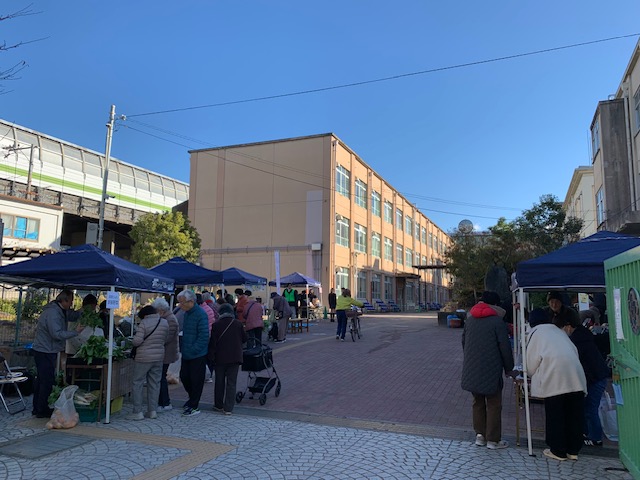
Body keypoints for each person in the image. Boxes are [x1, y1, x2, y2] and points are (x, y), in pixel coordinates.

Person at [526, 308, 587, 461]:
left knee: (556, 414)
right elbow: (574, 351)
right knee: (573, 414)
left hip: (555, 377)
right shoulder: (559, 331)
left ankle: (558, 450)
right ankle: (573, 450)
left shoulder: (536, 333)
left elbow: (531, 364)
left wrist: (531, 374)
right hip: (576, 377)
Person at [460, 291, 514, 450]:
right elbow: (505, 348)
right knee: (494, 404)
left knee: (477, 402)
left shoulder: (470, 320)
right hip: (492, 369)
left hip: (472, 368)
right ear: (495, 305)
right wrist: (509, 369)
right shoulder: (497, 322)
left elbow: (464, 343)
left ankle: (480, 435)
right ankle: (493, 439)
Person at [32, 289, 84, 418]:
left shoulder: (60, 310)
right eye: (70, 301)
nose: (71, 304)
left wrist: (83, 310)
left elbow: (72, 315)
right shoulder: (53, 313)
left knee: (43, 380)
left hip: (47, 349)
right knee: (46, 381)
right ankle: (41, 410)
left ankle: (38, 408)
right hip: (44, 350)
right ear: (64, 300)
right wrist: (75, 332)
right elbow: (56, 334)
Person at [560, 316, 609, 447]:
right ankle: (588, 434)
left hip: (595, 378)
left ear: (568, 326)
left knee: (590, 409)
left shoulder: (576, 341)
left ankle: (595, 438)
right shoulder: (583, 336)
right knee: (588, 408)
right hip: (597, 376)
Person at [128, 305, 169, 421]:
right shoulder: (164, 322)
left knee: (138, 382)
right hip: (159, 356)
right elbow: (165, 339)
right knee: (154, 383)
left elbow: (137, 341)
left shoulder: (144, 323)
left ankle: (137, 412)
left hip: (143, 357)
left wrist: (132, 341)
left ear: (144, 315)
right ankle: (152, 411)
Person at [208, 303, 247, 415]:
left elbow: (213, 343)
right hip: (235, 357)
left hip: (220, 358)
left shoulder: (216, 325)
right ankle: (228, 408)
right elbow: (244, 339)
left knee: (219, 382)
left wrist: (211, 357)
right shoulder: (238, 324)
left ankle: (218, 405)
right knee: (231, 383)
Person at [177, 289, 209, 417]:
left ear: (191, 302)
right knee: (184, 377)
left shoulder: (201, 314)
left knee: (196, 380)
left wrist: (194, 349)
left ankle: (194, 405)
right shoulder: (187, 313)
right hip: (187, 352)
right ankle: (192, 399)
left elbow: (204, 335)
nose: (180, 305)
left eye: (182, 302)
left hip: (197, 353)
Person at [152, 297, 180, 413]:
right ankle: (163, 402)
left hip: (167, 353)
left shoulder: (170, 319)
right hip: (165, 352)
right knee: (161, 377)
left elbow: (167, 337)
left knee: (161, 377)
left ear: (161, 310)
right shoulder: (167, 318)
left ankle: (165, 402)